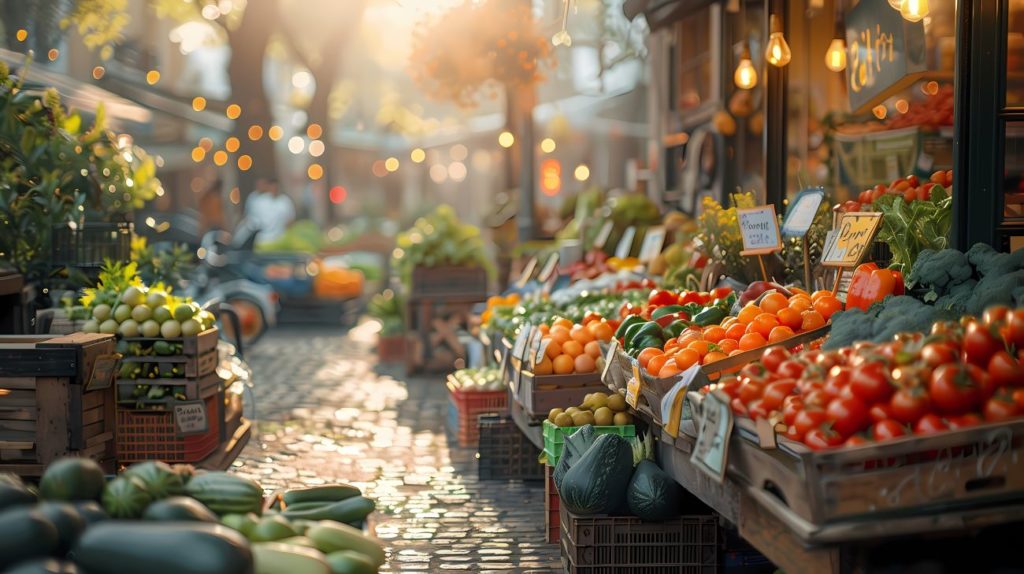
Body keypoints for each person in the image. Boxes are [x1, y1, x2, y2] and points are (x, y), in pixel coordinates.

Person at [243, 177, 295, 245]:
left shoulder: (285, 201)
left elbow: (290, 219)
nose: (274, 189)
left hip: (280, 238)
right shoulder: (260, 201)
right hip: (262, 239)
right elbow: (252, 219)